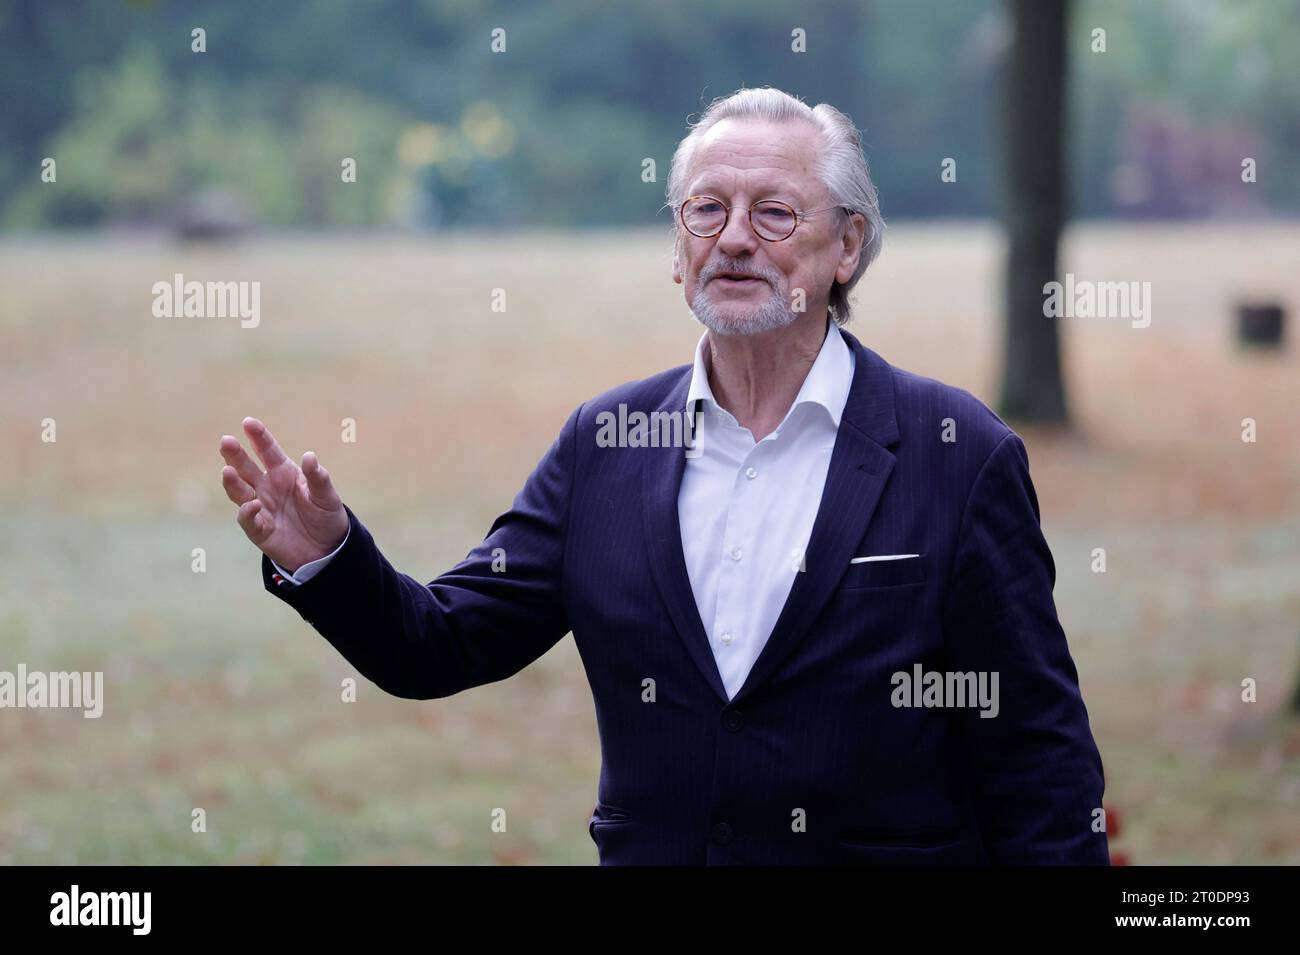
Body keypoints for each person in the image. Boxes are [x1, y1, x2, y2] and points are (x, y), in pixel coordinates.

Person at [219, 87, 1108, 865]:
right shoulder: (605, 444)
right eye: (706, 210)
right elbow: (439, 645)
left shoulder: (956, 450)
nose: (732, 240)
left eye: (774, 214)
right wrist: (329, 557)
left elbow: (1035, 755)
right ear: (676, 248)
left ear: (848, 245)